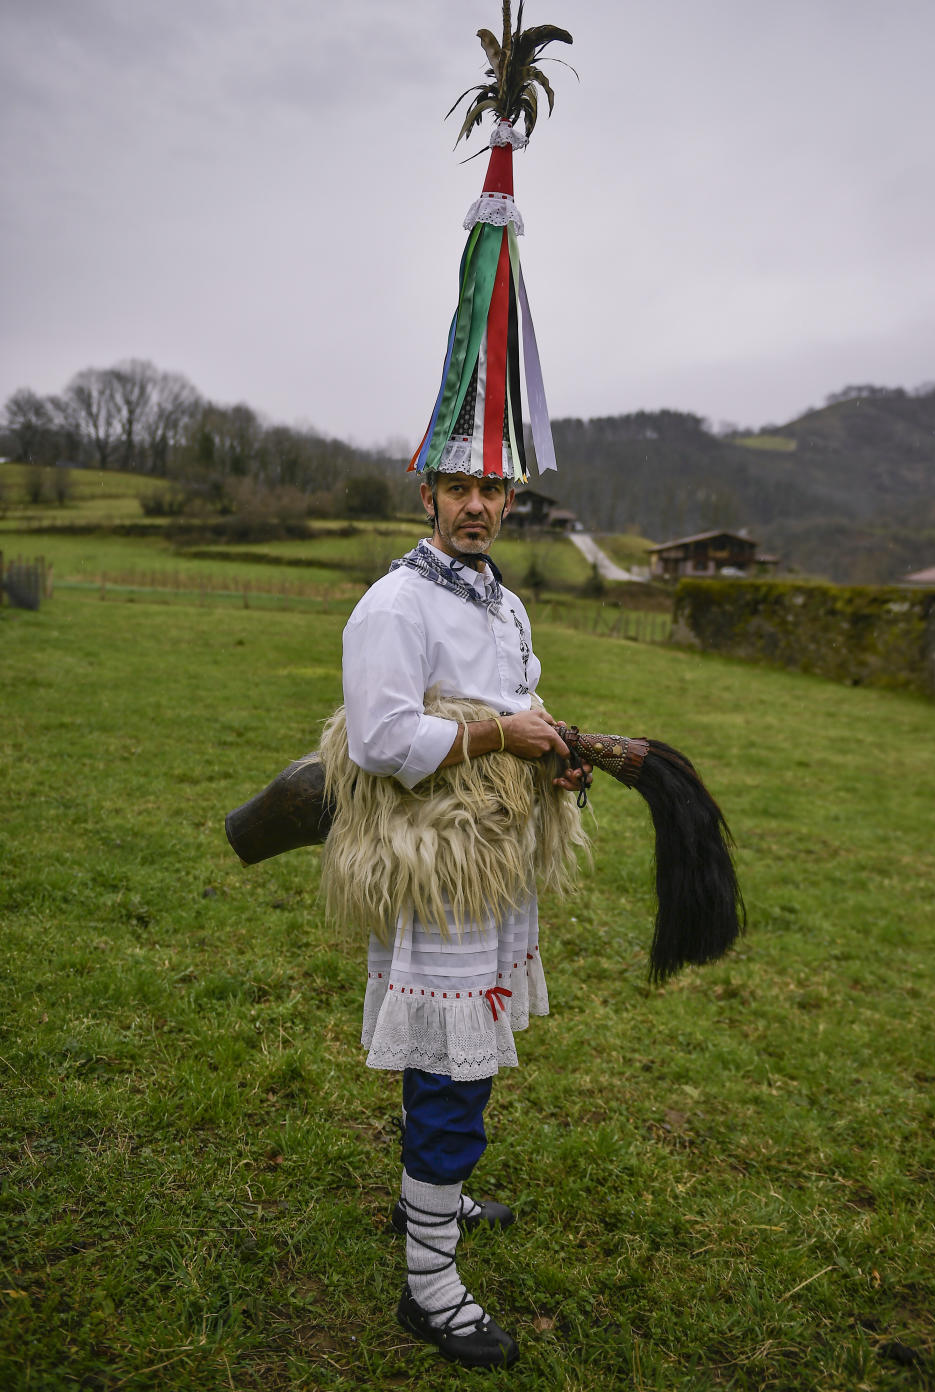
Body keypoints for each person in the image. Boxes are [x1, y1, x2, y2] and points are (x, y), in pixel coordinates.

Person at [335, 464, 591, 1369]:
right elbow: (381, 738)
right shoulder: (395, 605)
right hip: (439, 869)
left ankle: (427, 1202)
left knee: (455, 1055)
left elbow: (522, 701)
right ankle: (430, 1289)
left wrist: (553, 748)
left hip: (498, 860)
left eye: (493, 490)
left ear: (510, 504)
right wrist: (495, 737)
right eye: (458, 489)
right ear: (427, 500)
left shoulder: (504, 603)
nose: (476, 506)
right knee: (452, 1075)